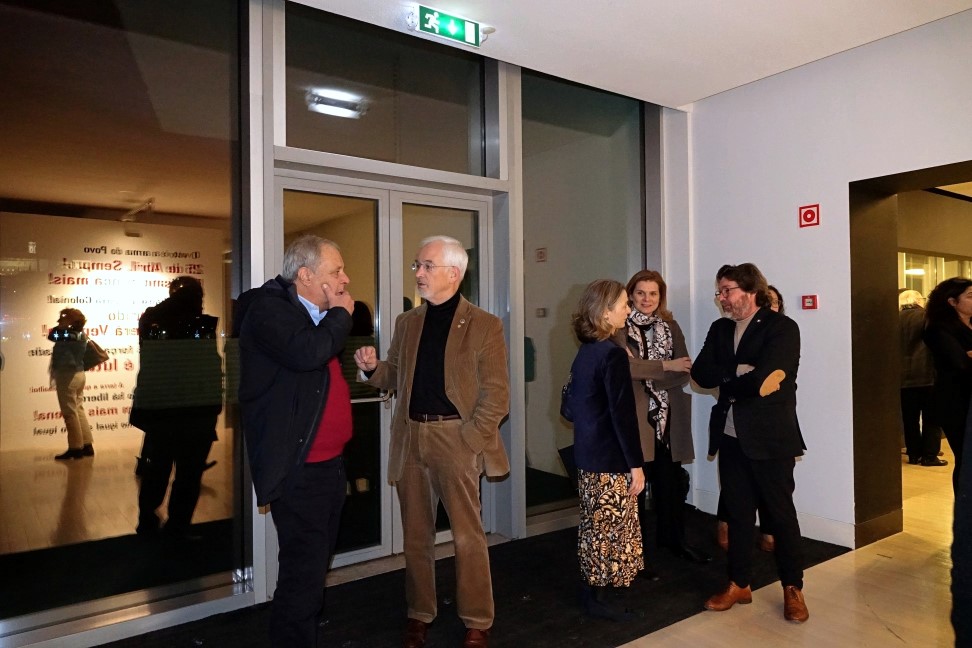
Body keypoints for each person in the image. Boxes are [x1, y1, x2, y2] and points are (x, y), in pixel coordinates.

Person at [354, 235, 509, 648]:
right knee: (416, 536)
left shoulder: (485, 325)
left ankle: (477, 619)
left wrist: (469, 439)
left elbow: (497, 395)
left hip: (455, 438)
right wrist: (372, 369)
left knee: (467, 536)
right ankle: (419, 613)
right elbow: (394, 375)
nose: (419, 273)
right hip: (411, 438)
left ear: (453, 273)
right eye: (417, 265)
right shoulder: (407, 322)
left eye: (426, 266)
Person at [237, 234, 355, 648]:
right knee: (303, 576)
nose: (344, 279)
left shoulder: (310, 314)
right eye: (336, 271)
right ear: (305, 275)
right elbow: (307, 354)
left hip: (329, 465)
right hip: (301, 470)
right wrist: (340, 316)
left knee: (313, 568)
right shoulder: (269, 310)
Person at [691, 263, 809, 623]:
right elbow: (700, 374)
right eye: (719, 292)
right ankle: (739, 583)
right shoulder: (720, 328)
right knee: (738, 515)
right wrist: (738, 372)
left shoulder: (782, 327)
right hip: (730, 437)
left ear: (751, 290)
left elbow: (765, 381)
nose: (721, 298)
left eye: (727, 290)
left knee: (781, 516)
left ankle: (793, 588)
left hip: (771, 438)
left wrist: (735, 378)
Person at [566, 279, 645, 621]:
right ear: (605, 312)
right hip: (609, 459)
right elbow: (622, 416)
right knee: (609, 531)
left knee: (594, 527)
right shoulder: (611, 354)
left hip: (587, 454)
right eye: (624, 303)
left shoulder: (586, 351)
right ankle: (598, 600)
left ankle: (594, 594)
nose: (629, 309)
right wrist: (636, 465)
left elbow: (570, 408)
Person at [621, 270, 705, 568]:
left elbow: (684, 370)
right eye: (641, 293)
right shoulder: (618, 326)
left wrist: (645, 372)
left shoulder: (671, 326)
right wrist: (665, 366)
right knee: (636, 488)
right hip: (635, 418)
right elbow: (623, 370)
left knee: (670, 485)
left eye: (653, 293)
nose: (647, 299)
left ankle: (674, 541)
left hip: (669, 418)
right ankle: (637, 554)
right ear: (631, 295)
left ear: (661, 297)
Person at [129, 276, 222, 538]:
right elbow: (207, 368)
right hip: (193, 411)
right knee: (187, 475)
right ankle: (177, 527)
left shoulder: (152, 320)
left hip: (165, 411)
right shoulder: (196, 324)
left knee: (158, 470)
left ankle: (148, 521)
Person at [715, 285, 786, 552]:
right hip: (737, 422)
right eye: (767, 301)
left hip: (772, 423)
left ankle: (769, 530)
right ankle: (725, 523)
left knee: (772, 486)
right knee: (736, 486)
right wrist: (740, 375)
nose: (770, 306)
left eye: (775, 302)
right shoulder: (733, 332)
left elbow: (774, 376)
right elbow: (717, 374)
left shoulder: (783, 334)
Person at [923, 277, 972, 493]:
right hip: (956, 402)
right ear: (952, 302)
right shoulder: (938, 329)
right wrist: (966, 357)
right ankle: (965, 507)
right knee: (966, 457)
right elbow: (960, 364)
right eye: (970, 296)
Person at [899, 289, 946, 467]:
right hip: (928, 376)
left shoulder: (893, 319)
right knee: (932, 418)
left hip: (903, 378)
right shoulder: (928, 317)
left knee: (909, 419)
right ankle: (929, 455)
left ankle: (913, 454)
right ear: (919, 300)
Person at [48, 308, 95, 460]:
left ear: (71, 321)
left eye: (63, 318)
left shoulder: (70, 335)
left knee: (69, 412)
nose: (59, 320)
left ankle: (75, 448)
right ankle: (86, 444)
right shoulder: (79, 334)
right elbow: (54, 335)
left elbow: (52, 335)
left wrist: (62, 326)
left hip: (67, 376)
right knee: (78, 409)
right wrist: (63, 325)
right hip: (78, 374)